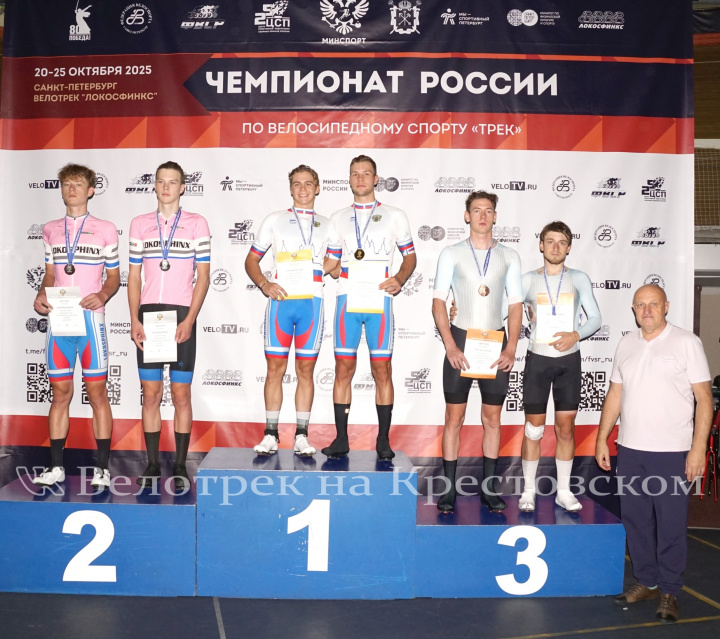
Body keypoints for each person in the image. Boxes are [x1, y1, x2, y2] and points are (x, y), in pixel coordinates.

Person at [595, 284, 712, 623]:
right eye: (641, 305)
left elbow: (704, 398)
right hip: (630, 450)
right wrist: (602, 438)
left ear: (666, 306)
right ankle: (646, 582)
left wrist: (698, 448)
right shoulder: (626, 344)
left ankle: (669, 591)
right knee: (636, 521)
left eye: (654, 304)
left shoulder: (687, 342)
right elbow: (615, 394)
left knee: (671, 525)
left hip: (672, 453)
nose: (647, 310)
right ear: (633, 309)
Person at [432, 190, 522, 512]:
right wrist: (451, 345)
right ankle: (448, 490)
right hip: (461, 340)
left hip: (495, 343)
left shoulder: (509, 256)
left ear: (495, 216)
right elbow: (438, 302)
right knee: (453, 418)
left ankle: (488, 490)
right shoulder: (451, 253)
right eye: (476, 210)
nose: (482, 216)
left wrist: (511, 348)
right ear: (466, 215)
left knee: (492, 419)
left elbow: (515, 305)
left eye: (488, 210)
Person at [32, 163, 120, 488]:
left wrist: (103, 295)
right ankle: (56, 466)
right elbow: (50, 274)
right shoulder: (50, 229)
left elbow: (114, 277)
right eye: (67, 184)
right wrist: (41, 294)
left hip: (90, 319)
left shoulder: (106, 229)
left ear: (91, 190)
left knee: (97, 393)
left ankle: (102, 469)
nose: (72, 189)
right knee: (60, 393)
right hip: (60, 318)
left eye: (78, 184)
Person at [323, 154, 416, 460]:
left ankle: (383, 439)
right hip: (347, 300)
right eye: (355, 173)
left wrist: (400, 278)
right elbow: (332, 261)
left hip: (379, 300)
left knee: (382, 369)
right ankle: (341, 439)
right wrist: (309, 272)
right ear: (349, 179)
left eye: (366, 173)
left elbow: (410, 256)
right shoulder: (337, 217)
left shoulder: (395, 215)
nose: (360, 178)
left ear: (376, 179)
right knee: (343, 368)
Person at [128, 161, 210, 489]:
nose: (166, 187)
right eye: (161, 181)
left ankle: (179, 465)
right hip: (149, 316)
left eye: (172, 182)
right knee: (150, 394)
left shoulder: (196, 223)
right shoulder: (139, 224)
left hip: (181, 315)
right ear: (154, 186)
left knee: (181, 394)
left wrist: (190, 318)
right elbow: (134, 276)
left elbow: (203, 277)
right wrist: (134, 319)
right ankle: (151, 464)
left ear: (182, 187)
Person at [245, 165, 330, 457]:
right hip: (281, 304)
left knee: (305, 370)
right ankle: (270, 434)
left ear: (317, 188)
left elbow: (335, 263)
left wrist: (314, 272)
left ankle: (301, 435)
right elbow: (251, 260)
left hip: (312, 304)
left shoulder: (328, 225)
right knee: (274, 369)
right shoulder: (275, 220)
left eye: (308, 183)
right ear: (290, 188)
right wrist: (264, 283)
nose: (303, 189)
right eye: (297, 184)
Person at [518, 221, 601, 513]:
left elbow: (595, 319)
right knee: (533, 429)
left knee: (566, 428)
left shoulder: (579, 278)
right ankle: (528, 491)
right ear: (541, 245)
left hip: (569, 361)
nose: (555, 247)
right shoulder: (527, 280)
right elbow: (506, 312)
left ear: (569, 247)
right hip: (538, 359)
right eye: (550, 241)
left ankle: (563, 491)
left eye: (562, 242)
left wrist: (575, 335)